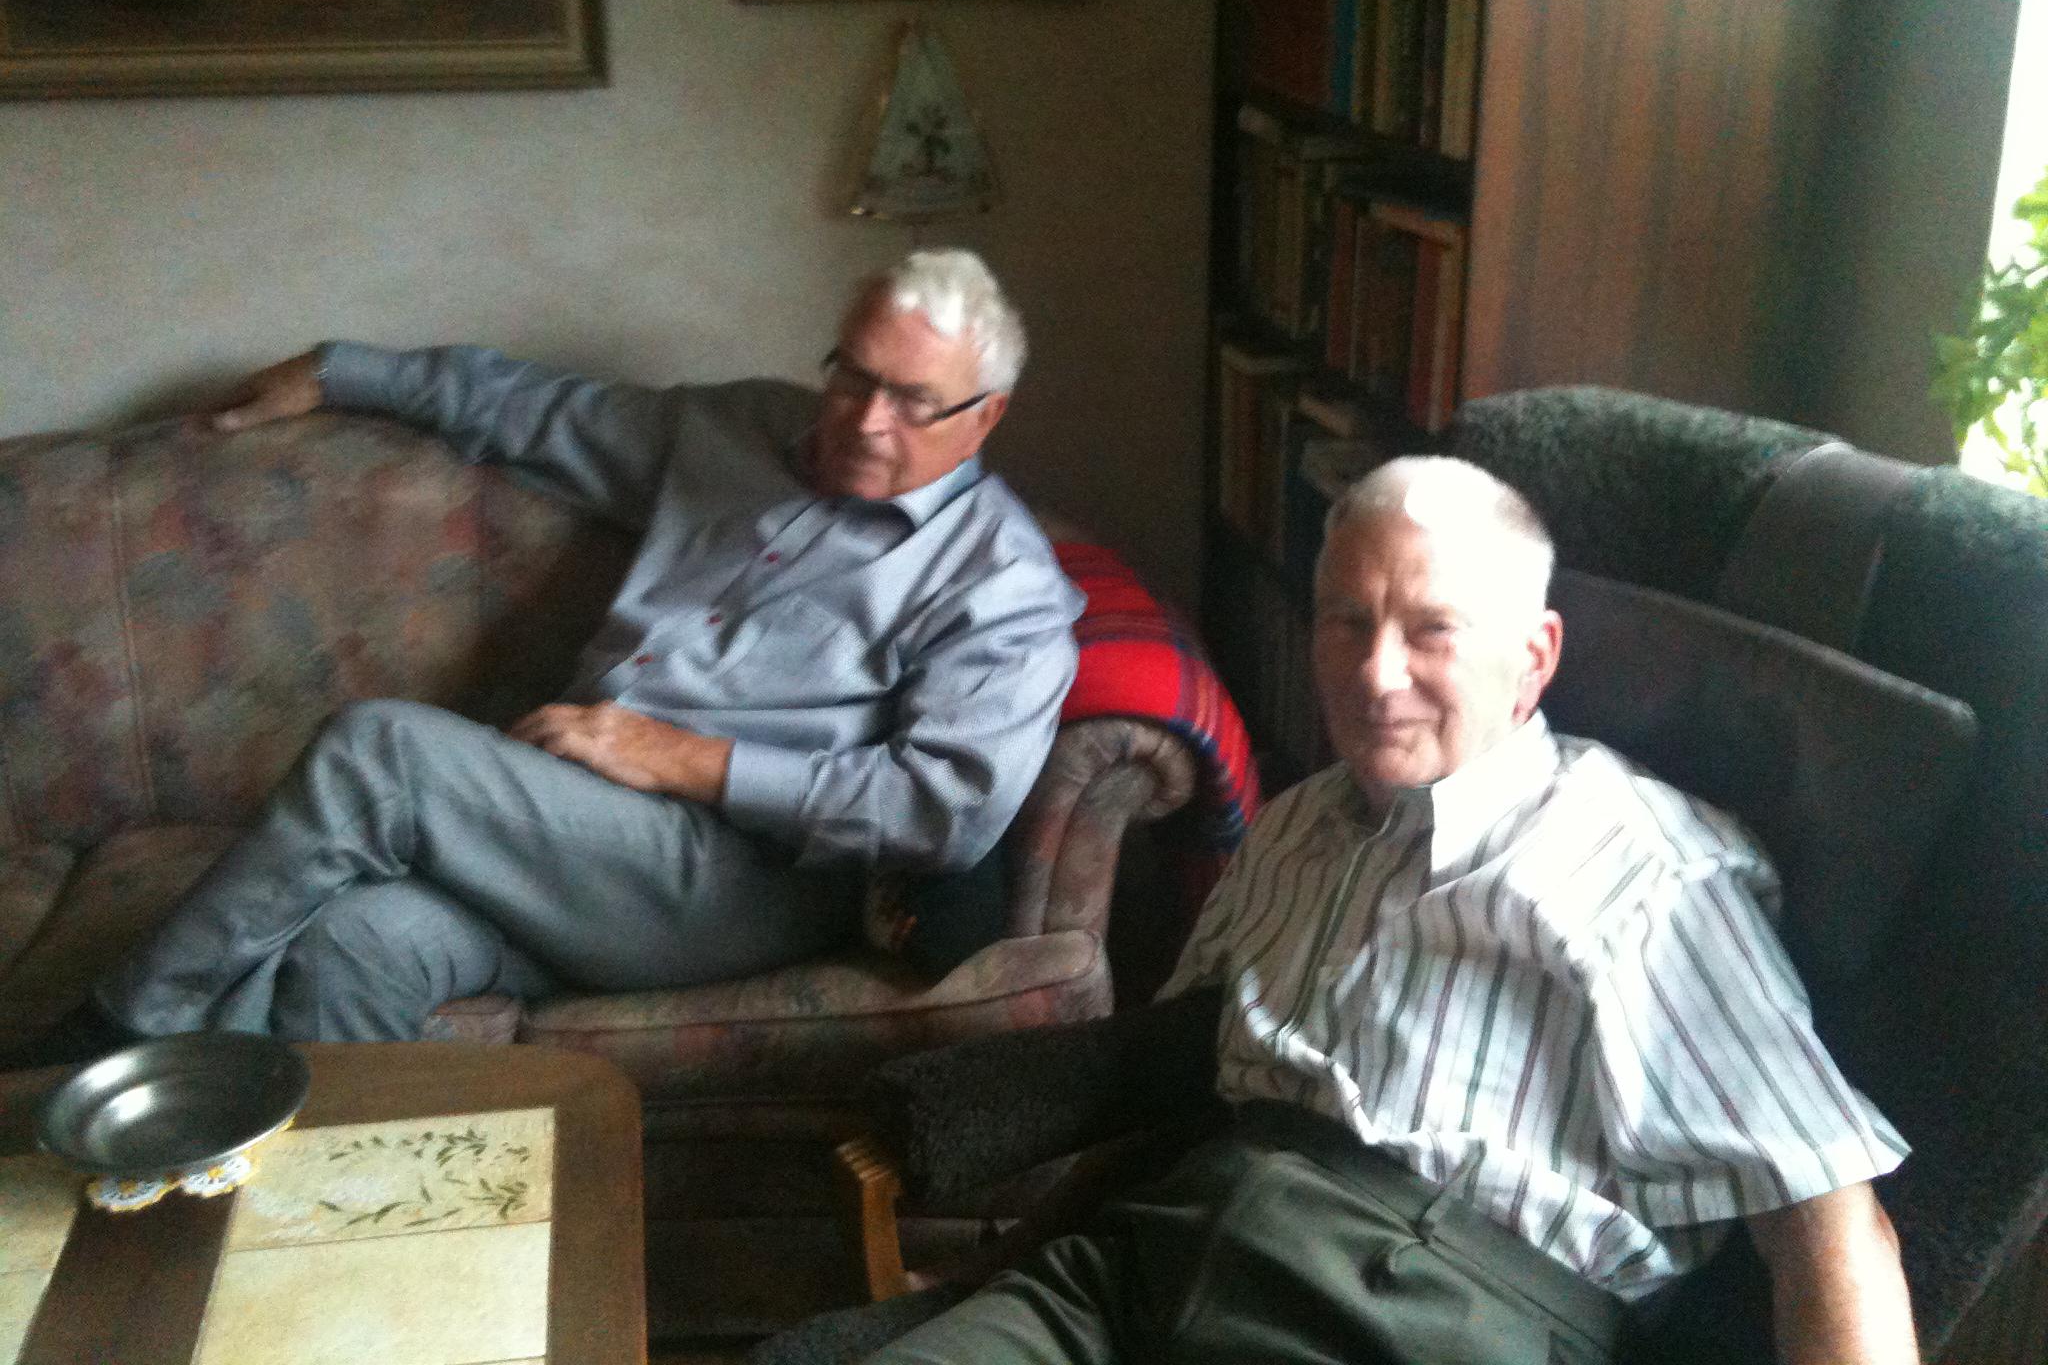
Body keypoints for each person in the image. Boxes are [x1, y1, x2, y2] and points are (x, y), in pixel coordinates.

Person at [868, 456, 1917, 1365]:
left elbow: (1829, 1222)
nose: (1377, 676)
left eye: (1432, 631)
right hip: (1145, 1262)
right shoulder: (1290, 826)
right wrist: (1019, 1255)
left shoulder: (1645, 875)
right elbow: (1167, 1070)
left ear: (1533, 658)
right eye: (1346, 622)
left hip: (1417, 1314)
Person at [46, 248, 1082, 1051]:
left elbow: (941, 813)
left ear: (984, 415)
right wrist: (338, 370)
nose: (864, 422)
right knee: (355, 945)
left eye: (914, 401)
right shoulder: (742, 431)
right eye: (851, 377)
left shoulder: (1002, 583)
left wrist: (684, 758)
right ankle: (318, 1228)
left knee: (381, 753)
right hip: (569, 839)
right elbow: (534, 410)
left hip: (731, 881)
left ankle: (120, 1036)